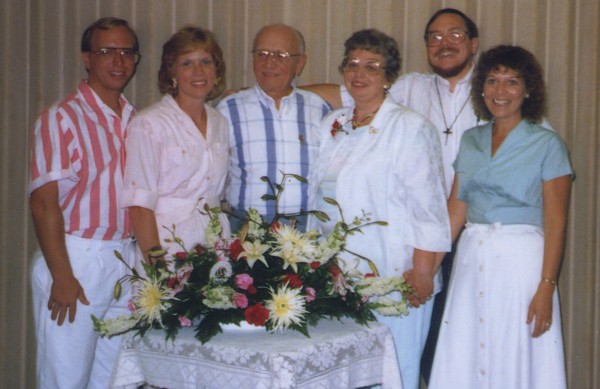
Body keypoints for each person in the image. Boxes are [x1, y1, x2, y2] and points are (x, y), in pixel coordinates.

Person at [307, 29, 450, 389]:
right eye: (352, 64)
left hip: (394, 278)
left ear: (389, 77)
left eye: (372, 66)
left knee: (392, 374)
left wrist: (422, 273)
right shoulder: (332, 125)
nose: (360, 74)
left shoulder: (409, 127)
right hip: (338, 278)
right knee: (346, 375)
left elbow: (429, 208)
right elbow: (319, 200)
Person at [428, 45, 572, 389]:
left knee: (517, 346)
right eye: (492, 81)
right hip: (472, 258)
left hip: (521, 263)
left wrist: (546, 288)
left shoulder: (548, 144)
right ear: (481, 88)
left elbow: (556, 223)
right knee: (467, 348)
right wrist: (427, 269)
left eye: (511, 82)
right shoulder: (471, 140)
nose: (500, 91)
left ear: (528, 90)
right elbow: (456, 211)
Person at [29, 17, 140, 388]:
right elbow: (44, 203)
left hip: (125, 260)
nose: (118, 61)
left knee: (115, 379)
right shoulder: (62, 117)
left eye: (126, 52)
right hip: (76, 258)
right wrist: (62, 275)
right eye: (106, 51)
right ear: (87, 59)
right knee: (66, 379)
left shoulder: (134, 119)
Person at [122, 26, 230, 260]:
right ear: (172, 72)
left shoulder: (220, 122)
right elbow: (139, 204)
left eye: (206, 62)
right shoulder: (149, 123)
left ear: (216, 70)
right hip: (167, 244)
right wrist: (157, 266)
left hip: (215, 242)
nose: (198, 72)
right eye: (187, 63)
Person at [217, 24, 330, 229]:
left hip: (306, 231)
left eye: (281, 55)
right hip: (246, 230)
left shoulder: (319, 109)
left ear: (300, 63)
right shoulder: (228, 109)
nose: (269, 63)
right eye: (262, 54)